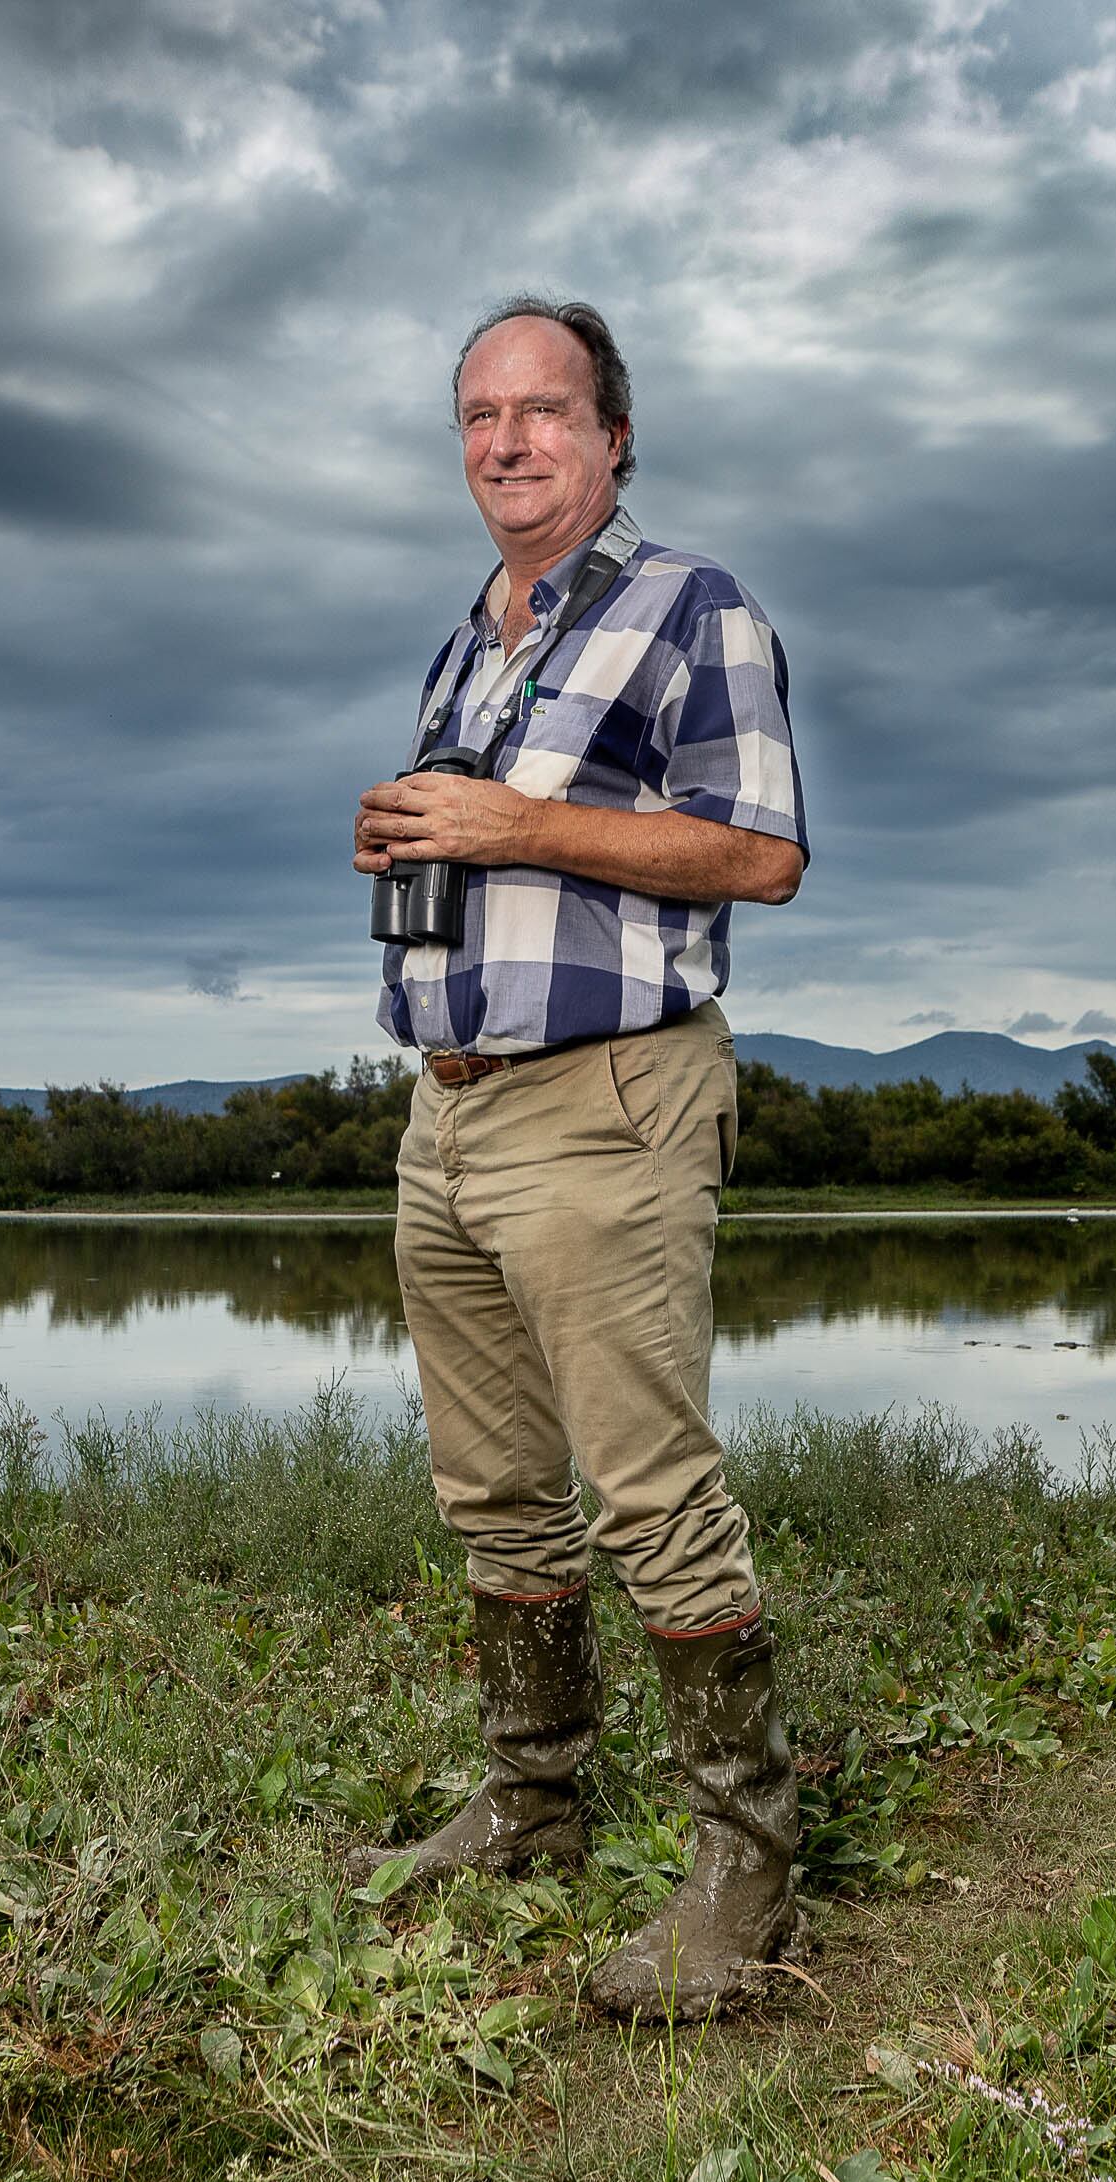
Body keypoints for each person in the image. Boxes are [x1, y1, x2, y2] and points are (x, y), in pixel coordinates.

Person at [346, 297, 808, 2022]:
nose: (508, 440)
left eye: (545, 410)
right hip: (448, 1108)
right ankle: (535, 1804)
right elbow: (486, 848)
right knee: (493, 1484)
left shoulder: (696, 604)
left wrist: (512, 823)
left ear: (614, 434)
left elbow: (760, 853)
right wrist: (412, 832)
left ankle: (742, 1869)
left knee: (649, 1488)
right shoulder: (470, 637)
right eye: (478, 414)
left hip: (606, 1099)